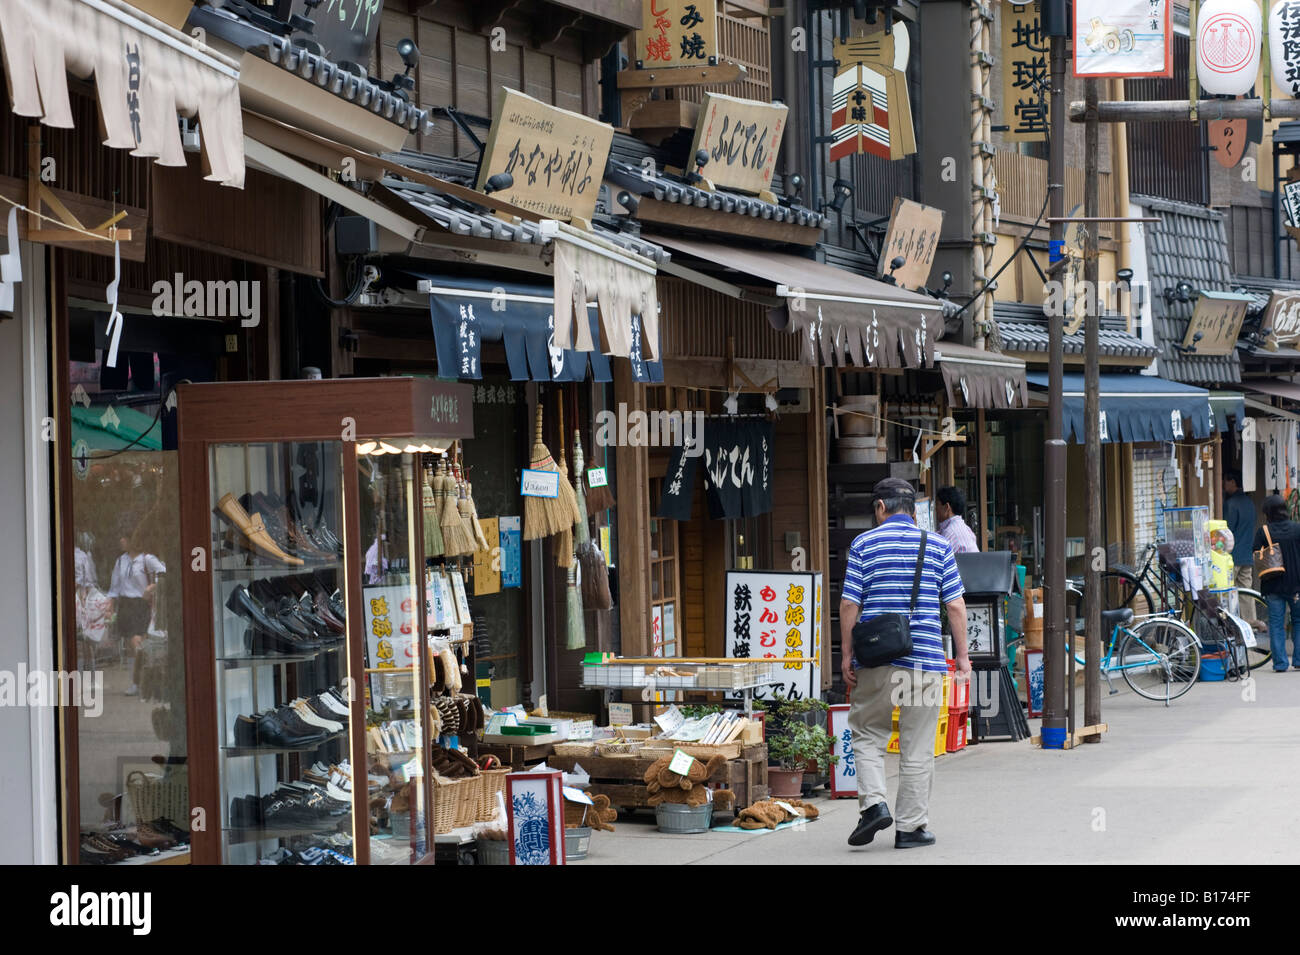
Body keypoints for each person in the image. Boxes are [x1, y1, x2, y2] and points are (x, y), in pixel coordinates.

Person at [840, 478, 970, 850]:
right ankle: (910, 828)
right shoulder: (938, 546)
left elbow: (850, 604)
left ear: (881, 507)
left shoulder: (863, 544)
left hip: (877, 661)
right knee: (917, 745)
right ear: (914, 511)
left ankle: (874, 805)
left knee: (867, 733)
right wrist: (962, 659)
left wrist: (847, 655)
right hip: (925, 661)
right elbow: (956, 606)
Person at [107, 525, 166, 695]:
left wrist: (152, 587)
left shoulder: (147, 559)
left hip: (140, 604)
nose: (121, 540)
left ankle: (142, 682)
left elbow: (165, 575)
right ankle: (138, 682)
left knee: (137, 643)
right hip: (125, 605)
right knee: (132, 647)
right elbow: (115, 586)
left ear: (134, 539)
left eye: (125, 537)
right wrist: (110, 605)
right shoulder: (120, 561)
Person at [1252, 495, 1300, 671]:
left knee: (1276, 623)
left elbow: (1256, 553)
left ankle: (1280, 663)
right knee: (1298, 621)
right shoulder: (1297, 528)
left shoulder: (1264, 532)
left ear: (1268, 513)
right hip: (1296, 584)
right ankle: (1299, 660)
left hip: (1273, 583)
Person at [1223, 471, 1256, 607]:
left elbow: (1226, 531)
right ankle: (1250, 623)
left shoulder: (1231, 504)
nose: (1223, 485)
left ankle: (1232, 624)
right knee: (1247, 593)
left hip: (1232, 556)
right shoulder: (1250, 503)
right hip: (1247, 555)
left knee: (1228, 592)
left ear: (1232, 482)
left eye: (1225, 481)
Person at [935, 485, 979, 553]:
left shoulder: (950, 533)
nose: (935, 509)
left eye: (937, 504)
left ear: (946, 507)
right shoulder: (966, 528)